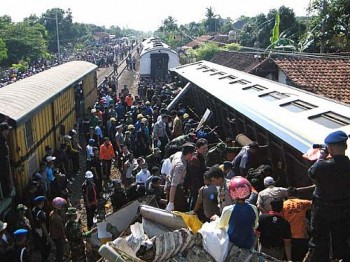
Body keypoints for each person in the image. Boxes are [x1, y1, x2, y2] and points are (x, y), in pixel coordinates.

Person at [307, 130, 350, 261]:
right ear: (346, 147)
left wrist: (321, 157)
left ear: (330, 148)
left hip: (322, 213)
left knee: (319, 244)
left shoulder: (323, 166)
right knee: (342, 242)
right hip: (344, 212)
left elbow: (311, 172)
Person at [216, 177, 259, 261]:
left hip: (233, 245)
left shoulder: (228, 210)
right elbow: (255, 225)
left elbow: (220, 225)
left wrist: (216, 218)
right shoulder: (253, 208)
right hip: (248, 244)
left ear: (232, 192)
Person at [282, 187, 312, 261]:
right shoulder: (303, 203)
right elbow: (314, 203)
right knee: (302, 258)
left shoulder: (283, 205)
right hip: (301, 235)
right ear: (297, 194)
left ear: (287, 194)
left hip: (288, 237)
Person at [165, 143, 196, 212]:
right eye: (192, 154)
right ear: (189, 154)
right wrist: (171, 202)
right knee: (179, 209)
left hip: (173, 183)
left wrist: (171, 171)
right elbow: (174, 185)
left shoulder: (178, 153)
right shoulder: (180, 166)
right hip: (176, 190)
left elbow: (171, 158)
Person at [185, 138, 208, 210]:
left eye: (206, 148)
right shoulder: (194, 159)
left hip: (200, 184)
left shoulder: (201, 157)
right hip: (195, 186)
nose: (205, 150)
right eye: (203, 148)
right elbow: (194, 176)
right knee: (194, 201)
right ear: (197, 149)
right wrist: (198, 188)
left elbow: (203, 169)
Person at [32, 196, 51, 261]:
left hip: (37, 231)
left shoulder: (34, 209)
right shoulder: (41, 213)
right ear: (42, 202)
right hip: (42, 233)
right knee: (46, 248)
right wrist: (48, 237)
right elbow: (43, 226)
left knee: (42, 247)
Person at [49, 197, 67, 262]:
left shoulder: (51, 213)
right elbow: (61, 229)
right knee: (60, 252)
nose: (63, 208)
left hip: (53, 236)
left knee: (57, 252)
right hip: (58, 237)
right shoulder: (57, 218)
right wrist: (64, 238)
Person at [0, 121, 14, 197]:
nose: (8, 131)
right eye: (8, 129)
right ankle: (6, 192)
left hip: (4, 160)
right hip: (2, 161)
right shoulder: (1, 139)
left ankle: (7, 191)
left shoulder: (3, 138)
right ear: (4, 130)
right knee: (4, 176)